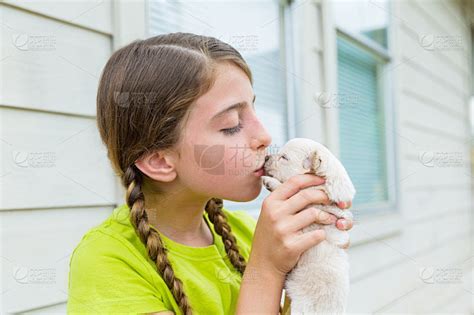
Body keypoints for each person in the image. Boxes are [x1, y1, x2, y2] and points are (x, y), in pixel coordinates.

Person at [66, 32, 354, 315]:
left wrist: (312, 261)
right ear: (159, 161)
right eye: (231, 124)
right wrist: (266, 268)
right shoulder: (107, 262)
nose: (265, 136)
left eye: (254, 107)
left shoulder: (251, 232)